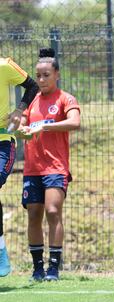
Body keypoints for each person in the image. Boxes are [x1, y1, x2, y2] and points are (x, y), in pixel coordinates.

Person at [19, 48, 80, 281]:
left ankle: (53, 267)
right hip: (32, 168)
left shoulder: (66, 98)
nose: (41, 79)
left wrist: (45, 126)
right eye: (38, 75)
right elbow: (23, 124)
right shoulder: (32, 101)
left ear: (57, 75)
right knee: (34, 214)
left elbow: (74, 122)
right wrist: (23, 130)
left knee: (53, 211)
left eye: (46, 75)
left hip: (55, 167)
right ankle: (37, 268)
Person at [0, 56, 38, 277]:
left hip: (3, 141)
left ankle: (1, 249)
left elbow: (32, 86)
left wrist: (19, 110)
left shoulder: (4, 66)